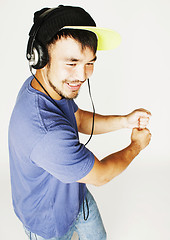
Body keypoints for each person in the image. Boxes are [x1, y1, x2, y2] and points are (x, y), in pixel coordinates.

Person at [8, 5, 152, 240]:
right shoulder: (46, 133)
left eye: (89, 62)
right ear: (40, 57)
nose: (83, 75)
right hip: (49, 223)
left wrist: (125, 121)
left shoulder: (48, 88)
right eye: (72, 62)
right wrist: (136, 145)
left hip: (76, 196)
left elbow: (78, 118)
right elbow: (102, 174)